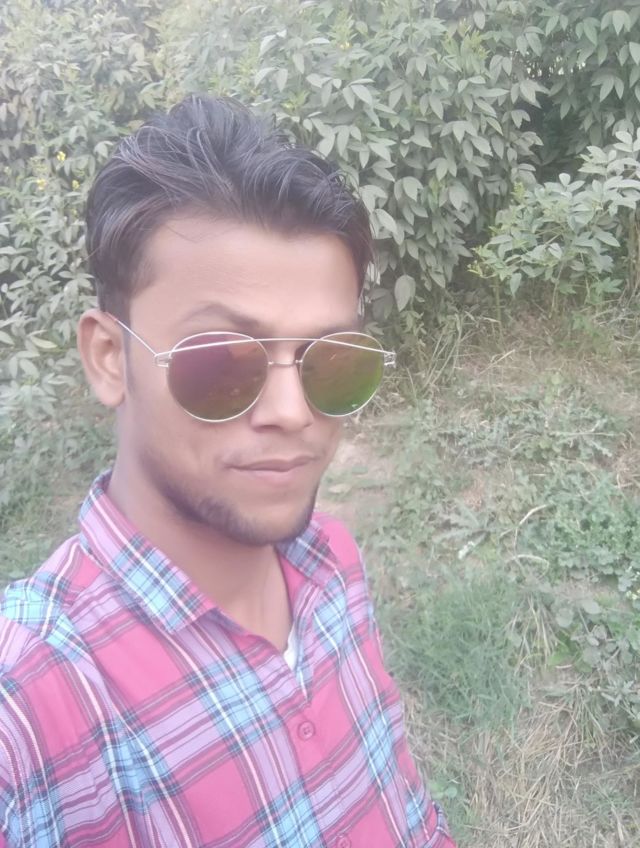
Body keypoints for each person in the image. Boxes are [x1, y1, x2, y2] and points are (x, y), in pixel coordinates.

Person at [0, 95, 456, 847]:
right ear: (109, 359)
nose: (292, 412)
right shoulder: (33, 704)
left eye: (332, 362)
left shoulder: (332, 564)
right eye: (220, 362)